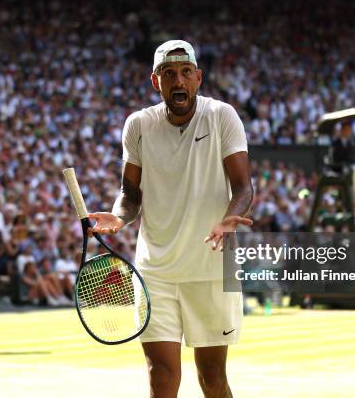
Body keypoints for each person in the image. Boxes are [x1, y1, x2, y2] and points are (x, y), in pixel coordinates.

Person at [88, 40, 253, 398]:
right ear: (155, 81)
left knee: (212, 377)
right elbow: (130, 195)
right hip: (156, 272)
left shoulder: (223, 116)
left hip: (210, 268)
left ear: (198, 78)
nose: (178, 81)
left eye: (185, 73)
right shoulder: (138, 126)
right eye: (168, 74)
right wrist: (118, 218)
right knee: (160, 375)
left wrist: (230, 218)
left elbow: (243, 187)